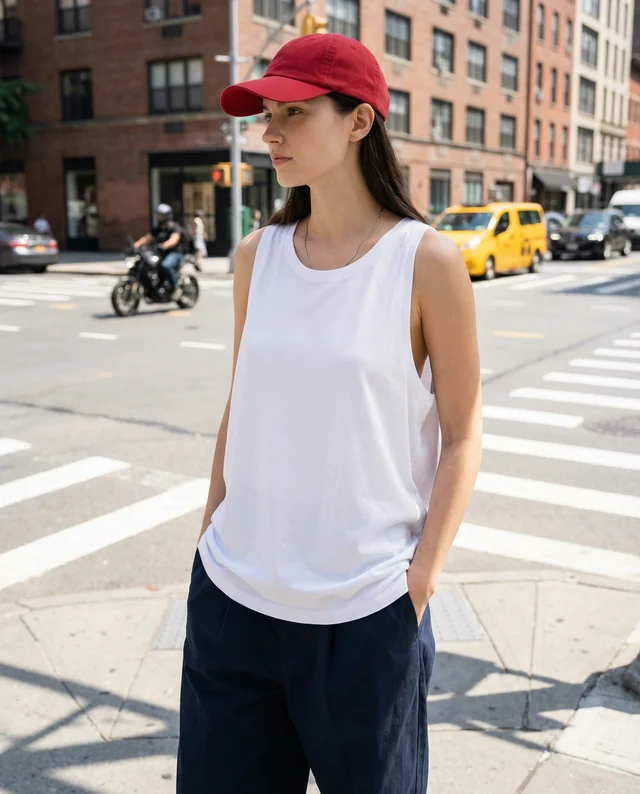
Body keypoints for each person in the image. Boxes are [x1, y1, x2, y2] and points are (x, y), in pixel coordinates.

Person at [177, 33, 482, 794]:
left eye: (293, 113)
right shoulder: (258, 254)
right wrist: (210, 531)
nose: (268, 132)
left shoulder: (426, 260)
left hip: (366, 613)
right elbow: (242, 401)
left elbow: (463, 433)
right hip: (234, 601)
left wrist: (417, 585)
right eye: (265, 115)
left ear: (359, 121)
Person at [134, 203, 184, 300]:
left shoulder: (174, 227)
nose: (159, 217)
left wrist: (164, 245)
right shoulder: (158, 228)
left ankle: (176, 288)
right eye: (158, 215)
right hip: (160, 253)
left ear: (167, 216)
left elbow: (173, 240)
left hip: (174, 253)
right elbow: (147, 238)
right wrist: (136, 245)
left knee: (165, 265)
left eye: (161, 215)